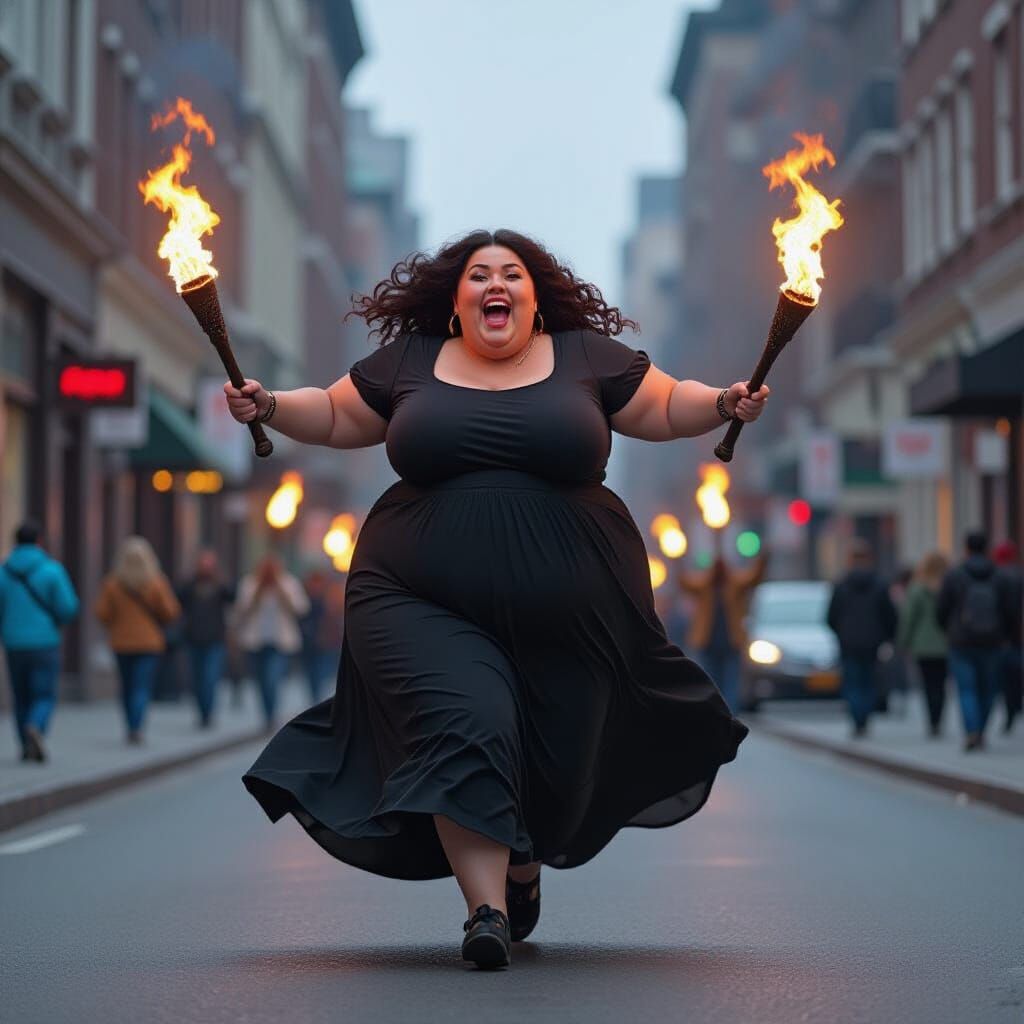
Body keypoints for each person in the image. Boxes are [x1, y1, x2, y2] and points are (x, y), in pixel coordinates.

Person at [225, 229, 767, 969]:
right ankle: (484, 909)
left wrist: (726, 401)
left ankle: (521, 863)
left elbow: (669, 406)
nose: (494, 284)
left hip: (574, 611)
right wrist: (269, 405)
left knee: (559, 754)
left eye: (511, 274)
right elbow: (333, 413)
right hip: (414, 594)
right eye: (478, 275)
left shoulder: (584, 357)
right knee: (463, 722)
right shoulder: (410, 364)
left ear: (534, 298)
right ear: (457, 302)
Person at [0, 521, 80, 762]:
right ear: (39, 541)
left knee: (20, 694)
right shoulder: (51, 570)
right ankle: (36, 726)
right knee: (43, 694)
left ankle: (25, 746)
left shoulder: (4, 572)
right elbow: (68, 607)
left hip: (14, 643)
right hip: (45, 641)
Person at [95, 536, 181, 744]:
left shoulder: (113, 583)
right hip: (149, 643)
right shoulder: (156, 582)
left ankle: (130, 725)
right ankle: (137, 726)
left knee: (126, 685)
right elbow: (171, 612)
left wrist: (117, 624)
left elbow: (101, 613)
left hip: (121, 642)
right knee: (141, 686)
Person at [937, 531, 1016, 750]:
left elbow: (942, 609)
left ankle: (972, 730)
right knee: (989, 689)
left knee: (966, 689)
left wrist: (949, 629)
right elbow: (1010, 611)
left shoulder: (954, 575)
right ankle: (981, 729)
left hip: (961, 641)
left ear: (967, 548)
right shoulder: (999, 576)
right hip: (993, 641)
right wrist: (1005, 635)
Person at [679, 552, 768, 713]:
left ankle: (730, 714)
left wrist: (763, 558)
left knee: (731, 682)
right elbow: (684, 582)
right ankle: (715, 712)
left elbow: (754, 577)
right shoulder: (704, 586)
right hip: (708, 642)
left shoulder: (734, 584)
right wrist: (678, 559)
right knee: (711, 681)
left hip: (731, 642)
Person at [827, 539, 897, 738]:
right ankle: (864, 718)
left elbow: (831, 616)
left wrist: (841, 633)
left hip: (848, 642)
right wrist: (886, 636)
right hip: (872, 643)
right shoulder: (880, 585)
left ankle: (857, 719)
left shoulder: (841, 585)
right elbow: (889, 615)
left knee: (852, 682)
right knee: (868, 681)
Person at [233, 554, 309, 729]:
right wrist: (258, 594)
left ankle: (271, 714)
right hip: (255, 641)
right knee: (260, 680)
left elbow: (301, 609)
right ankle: (267, 714)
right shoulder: (250, 584)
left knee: (272, 678)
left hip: (280, 642)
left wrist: (281, 592)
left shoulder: (289, 583)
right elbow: (240, 611)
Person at [178, 549, 236, 728]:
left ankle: (209, 713)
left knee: (210, 677)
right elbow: (178, 601)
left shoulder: (220, 585)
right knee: (197, 678)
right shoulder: (190, 585)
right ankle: (202, 712)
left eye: (209, 563)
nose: (206, 567)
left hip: (215, 640)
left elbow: (233, 598)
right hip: (194, 638)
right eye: (203, 563)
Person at [896, 552, 949, 737]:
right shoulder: (948, 586)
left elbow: (909, 618)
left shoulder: (917, 588)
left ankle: (932, 721)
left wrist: (903, 641)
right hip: (946, 643)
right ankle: (939, 718)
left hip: (923, 644)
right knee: (941, 684)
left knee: (928, 684)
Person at [299, 570, 344, 704]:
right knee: (310, 671)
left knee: (319, 669)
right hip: (308, 640)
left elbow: (334, 618)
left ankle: (316, 696)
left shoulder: (329, 597)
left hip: (324, 641)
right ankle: (314, 695)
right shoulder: (304, 597)